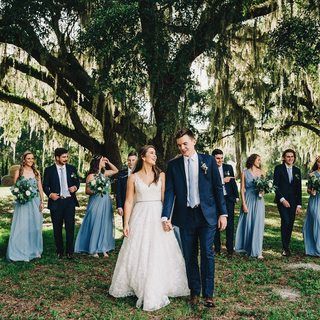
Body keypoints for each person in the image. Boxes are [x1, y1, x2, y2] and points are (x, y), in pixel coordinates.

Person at [109, 145, 189, 311]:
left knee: (158, 250)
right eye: (151, 153)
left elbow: (165, 199)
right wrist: (126, 223)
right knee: (139, 250)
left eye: (155, 153)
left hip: (157, 215)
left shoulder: (161, 175)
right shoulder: (133, 177)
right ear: (143, 157)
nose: (155, 155)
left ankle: (160, 284)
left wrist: (167, 219)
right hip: (139, 216)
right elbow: (129, 201)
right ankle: (137, 283)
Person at [162, 129, 228, 308]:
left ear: (194, 141)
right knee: (190, 255)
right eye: (179, 145)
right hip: (185, 217)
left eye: (185, 144)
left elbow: (217, 187)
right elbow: (170, 192)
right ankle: (194, 291)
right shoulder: (174, 165)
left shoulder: (208, 161)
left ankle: (209, 294)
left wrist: (223, 213)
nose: (182, 148)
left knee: (207, 254)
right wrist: (165, 216)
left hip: (207, 215)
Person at [75, 155, 118, 257]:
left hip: (106, 202)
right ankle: (93, 248)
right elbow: (87, 191)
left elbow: (116, 170)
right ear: (97, 162)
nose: (104, 162)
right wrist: (97, 189)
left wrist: (108, 162)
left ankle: (103, 248)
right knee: (95, 222)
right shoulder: (91, 176)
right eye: (103, 160)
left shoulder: (105, 173)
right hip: (96, 201)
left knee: (105, 223)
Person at [43, 148, 80, 259]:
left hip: (69, 201)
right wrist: (50, 195)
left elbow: (77, 182)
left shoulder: (72, 168)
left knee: (70, 227)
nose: (66, 159)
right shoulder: (49, 170)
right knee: (57, 227)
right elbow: (45, 185)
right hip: (56, 202)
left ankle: (70, 252)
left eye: (67, 157)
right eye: (63, 157)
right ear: (57, 157)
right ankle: (59, 251)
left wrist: (75, 187)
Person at [7, 151, 44, 262]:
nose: (31, 161)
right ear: (24, 159)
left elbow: (40, 188)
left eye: (32, 158)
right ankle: (21, 251)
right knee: (22, 226)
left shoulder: (36, 172)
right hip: (23, 202)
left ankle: (34, 250)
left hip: (35, 201)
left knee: (35, 226)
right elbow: (15, 187)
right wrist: (21, 194)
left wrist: (42, 201)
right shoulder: (20, 171)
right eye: (28, 158)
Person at [235, 154, 265, 259]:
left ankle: (258, 251)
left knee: (258, 223)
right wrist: (243, 204)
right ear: (253, 160)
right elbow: (242, 189)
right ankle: (247, 248)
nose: (259, 161)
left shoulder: (261, 173)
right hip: (248, 199)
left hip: (259, 201)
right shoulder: (245, 172)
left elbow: (263, 189)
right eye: (258, 159)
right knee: (247, 223)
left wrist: (262, 191)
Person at [273, 149, 302, 257]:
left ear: (294, 158)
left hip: (293, 201)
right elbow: (275, 186)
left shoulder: (297, 170)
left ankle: (287, 245)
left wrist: (299, 205)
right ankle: (285, 248)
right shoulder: (278, 168)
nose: (290, 158)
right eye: (288, 156)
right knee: (285, 221)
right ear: (284, 158)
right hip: (282, 201)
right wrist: (282, 199)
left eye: (292, 156)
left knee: (290, 223)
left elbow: (298, 189)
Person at [212, 149, 239, 256]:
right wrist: (223, 181)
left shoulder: (228, 167)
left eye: (221, 158)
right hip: (215, 199)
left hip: (228, 198)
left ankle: (230, 250)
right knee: (215, 224)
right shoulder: (209, 168)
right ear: (213, 158)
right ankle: (217, 249)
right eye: (218, 158)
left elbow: (232, 182)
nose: (220, 160)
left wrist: (236, 196)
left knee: (230, 224)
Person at [303, 157, 320, 256]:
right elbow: (308, 190)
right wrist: (311, 191)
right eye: (318, 162)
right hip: (315, 200)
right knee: (316, 220)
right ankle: (314, 248)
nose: (319, 164)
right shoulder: (312, 174)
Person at [116, 151, 137, 227]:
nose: (131, 162)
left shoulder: (141, 173)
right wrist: (119, 206)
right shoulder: (121, 174)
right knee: (126, 226)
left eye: (133, 160)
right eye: (129, 160)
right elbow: (118, 191)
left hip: (138, 205)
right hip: (126, 205)